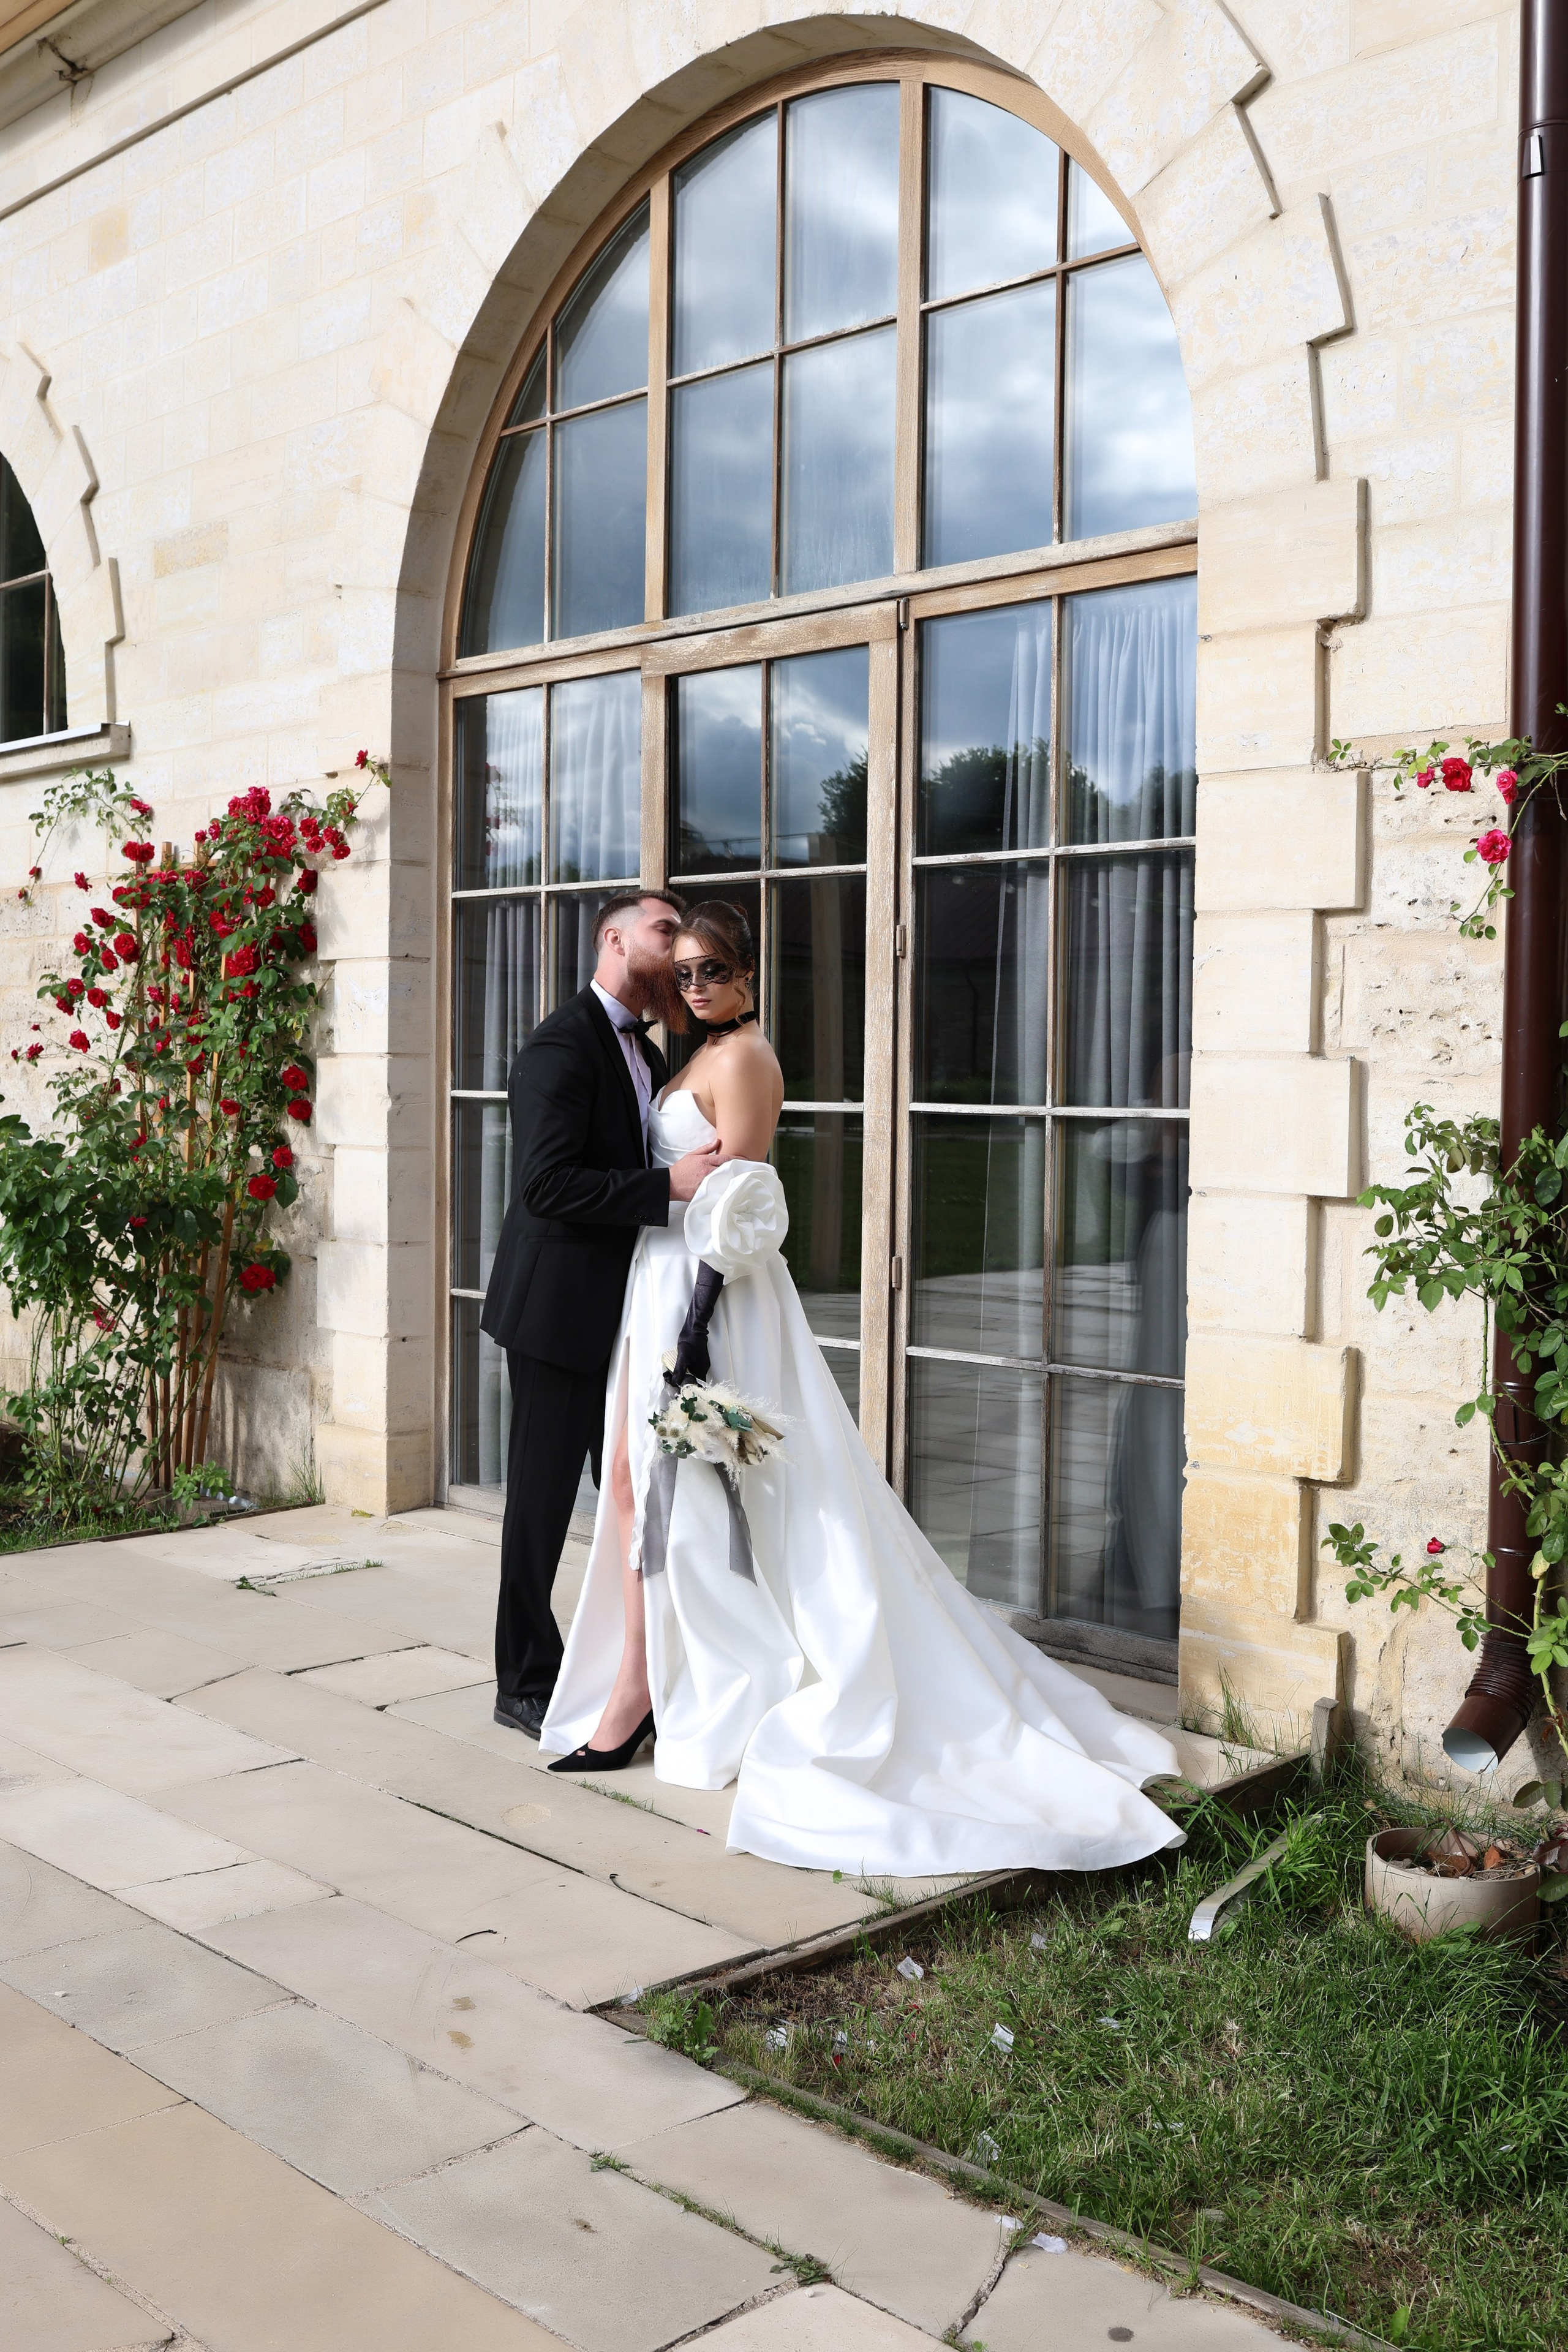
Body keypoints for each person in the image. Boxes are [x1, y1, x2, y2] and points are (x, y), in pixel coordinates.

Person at [541, 900, 1186, 1880]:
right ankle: (660, 1685)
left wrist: (693, 1334)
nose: (697, 986)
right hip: (657, 1284)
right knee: (640, 1490)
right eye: (686, 973)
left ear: (749, 971)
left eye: (714, 969)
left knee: (689, 1493)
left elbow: (743, 1208)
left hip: (709, 1304)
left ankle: (656, 1694)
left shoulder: (743, 1059)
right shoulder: (700, 1052)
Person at [480, 890, 721, 1740]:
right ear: (613, 939)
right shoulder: (560, 1044)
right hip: (557, 1313)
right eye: (665, 931)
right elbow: (546, 1186)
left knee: (633, 1495)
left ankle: (633, 1671)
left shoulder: (646, 1052)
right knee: (541, 1504)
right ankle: (522, 1680)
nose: (679, 948)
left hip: (629, 1313)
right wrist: (667, 1186)